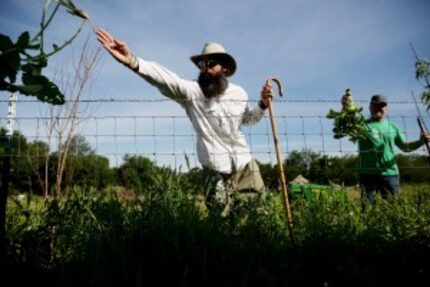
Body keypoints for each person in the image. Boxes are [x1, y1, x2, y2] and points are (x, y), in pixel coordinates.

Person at [96, 29, 274, 212]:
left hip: (245, 166)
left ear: (225, 69)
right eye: (202, 64)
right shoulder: (192, 93)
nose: (205, 68)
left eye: (211, 63)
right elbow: (166, 79)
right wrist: (132, 61)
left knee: (259, 213)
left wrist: (262, 105)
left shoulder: (239, 93)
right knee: (222, 222)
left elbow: (247, 120)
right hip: (214, 171)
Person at [358, 94, 430, 205]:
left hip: (390, 174)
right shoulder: (361, 126)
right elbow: (343, 129)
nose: (378, 108)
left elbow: (405, 147)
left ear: (386, 108)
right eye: (375, 105)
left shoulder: (393, 127)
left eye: (381, 106)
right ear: (370, 107)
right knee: (367, 210)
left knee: (392, 209)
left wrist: (421, 141)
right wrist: (346, 105)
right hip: (367, 174)